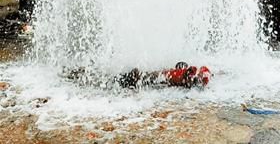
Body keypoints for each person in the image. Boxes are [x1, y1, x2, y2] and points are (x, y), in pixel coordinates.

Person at [64, 62, 211, 89]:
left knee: (111, 79)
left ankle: (77, 74)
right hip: (143, 78)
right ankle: (79, 74)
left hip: (143, 78)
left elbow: (184, 68)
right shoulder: (186, 76)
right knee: (111, 80)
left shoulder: (186, 74)